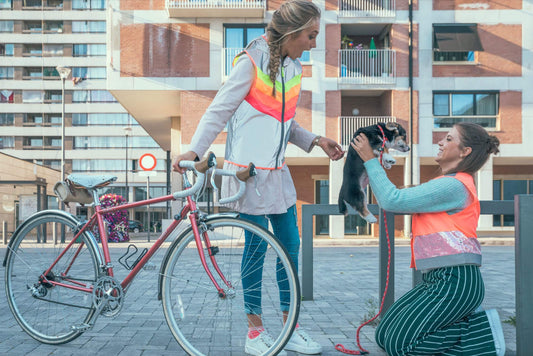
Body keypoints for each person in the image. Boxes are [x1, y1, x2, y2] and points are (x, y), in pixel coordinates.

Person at [172, 1, 344, 355]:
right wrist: (194, 149)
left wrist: (315, 140)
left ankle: (290, 326)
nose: (313, 43)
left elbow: (284, 123)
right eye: (311, 35)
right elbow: (220, 108)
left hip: (277, 175)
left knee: (291, 250)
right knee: (256, 249)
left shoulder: (294, 69)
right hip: (247, 175)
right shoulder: (250, 63)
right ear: (293, 33)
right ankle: (254, 333)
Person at [351, 122, 505, 356]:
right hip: (437, 279)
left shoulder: (454, 186)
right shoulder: (447, 184)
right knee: (384, 334)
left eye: (449, 139)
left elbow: (393, 200)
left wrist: (370, 161)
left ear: (465, 152)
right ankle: (460, 328)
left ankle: (483, 334)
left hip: (456, 281)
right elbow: (398, 197)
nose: (440, 142)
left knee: (400, 346)